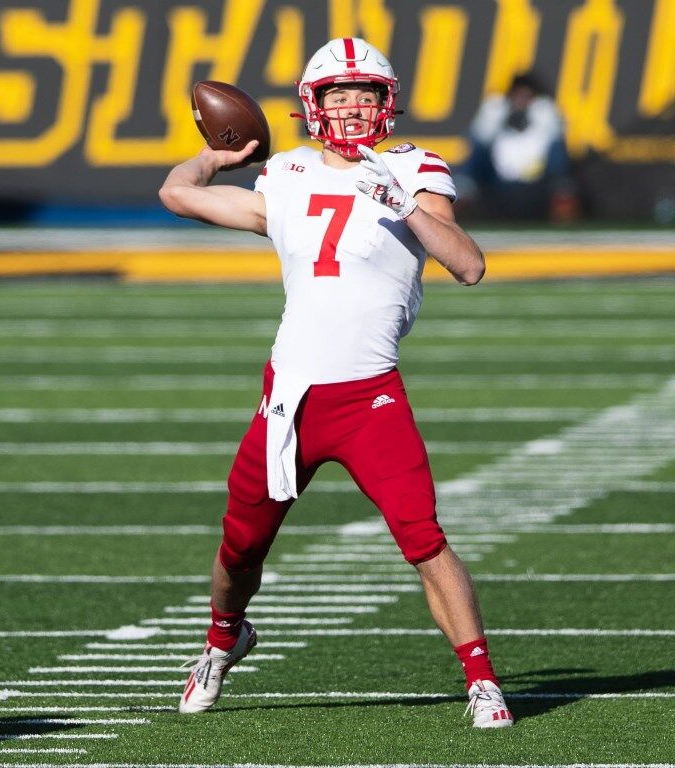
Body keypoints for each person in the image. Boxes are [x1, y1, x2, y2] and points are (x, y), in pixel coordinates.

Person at [159, 37, 513, 728]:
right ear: (312, 104)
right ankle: (224, 635)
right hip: (290, 395)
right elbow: (177, 193)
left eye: (366, 92)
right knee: (241, 545)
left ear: (389, 101)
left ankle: (481, 679)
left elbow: (468, 265)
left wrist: (402, 201)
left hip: (370, 396)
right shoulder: (284, 174)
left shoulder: (414, 168)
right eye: (338, 93)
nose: (352, 106)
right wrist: (218, 154)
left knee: (423, 536)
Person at [457, 73, 578, 222]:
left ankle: (563, 203)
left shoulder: (544, 114)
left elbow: (557, 144)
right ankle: (460, 199)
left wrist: (538, 114)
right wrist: (499, 115)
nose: (521, 101)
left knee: (558, 151)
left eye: (526, 96)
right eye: (518, 95)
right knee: (477, 153)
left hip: (537, 183)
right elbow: (478, 140)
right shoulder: (496, 111)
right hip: (499, 183)